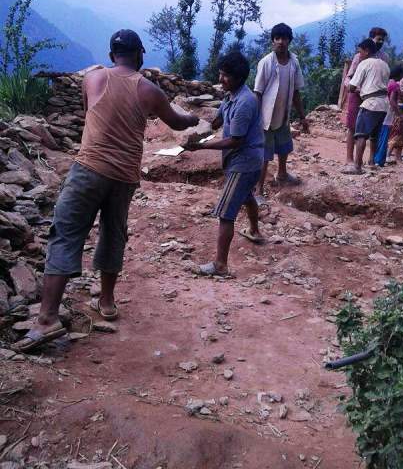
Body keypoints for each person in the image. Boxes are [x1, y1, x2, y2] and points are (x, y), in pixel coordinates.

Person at [15, 30, 200, 353]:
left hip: (88, 169)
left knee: (66, 233)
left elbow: (91, 112)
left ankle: (47, 319)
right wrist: (193, 118)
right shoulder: (150, 90)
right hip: (124, 176)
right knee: (114, 233)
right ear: (140, 54)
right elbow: (177, 122)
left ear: (113, 55)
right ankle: (107, 301)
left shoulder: (94, 78)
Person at [184, 52, 264, 276]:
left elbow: (235, 140)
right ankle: (255, 231)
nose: (220, 79)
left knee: (226, 213)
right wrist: (195, 128)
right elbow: (217, 121)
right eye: (220, 73)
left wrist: (201, 147)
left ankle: (220, 265)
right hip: (245, 160)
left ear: (239, 77)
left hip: (244, 162)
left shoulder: (245, 103)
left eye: (225, 75)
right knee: (246, 196)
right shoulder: (231, 96)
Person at [254, 23, 308, 200]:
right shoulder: (266, 63)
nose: (280, 42)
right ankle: (258, 190)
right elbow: (258, 92)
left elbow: (296, 91)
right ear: (272, 41)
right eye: (277, 38)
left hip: (283, 114)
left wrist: (302, 116)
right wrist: (256, 118)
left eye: (284, 38)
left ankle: (282, 174)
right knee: (264, 155)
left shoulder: (294, 62)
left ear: (289, 41)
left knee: (284, 147)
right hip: (266, 117)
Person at [342, 38, 390, 174]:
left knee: (361, 135)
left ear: (367, 51)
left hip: (370, 102)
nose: (359, 55)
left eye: (361, 52)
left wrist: (352, 86)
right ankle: (371, 163)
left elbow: (352, 86)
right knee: (374, 135)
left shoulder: (364, 64)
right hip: (383, 103)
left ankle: (357, 166)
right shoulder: (385, 65)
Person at [386, 64, 403, 163]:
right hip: (400, 109)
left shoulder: (392, 82)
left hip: (397, 109)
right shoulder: (401, 82)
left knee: (399, 133)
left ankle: (397, 156)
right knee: (398, 132)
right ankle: (389, 154)